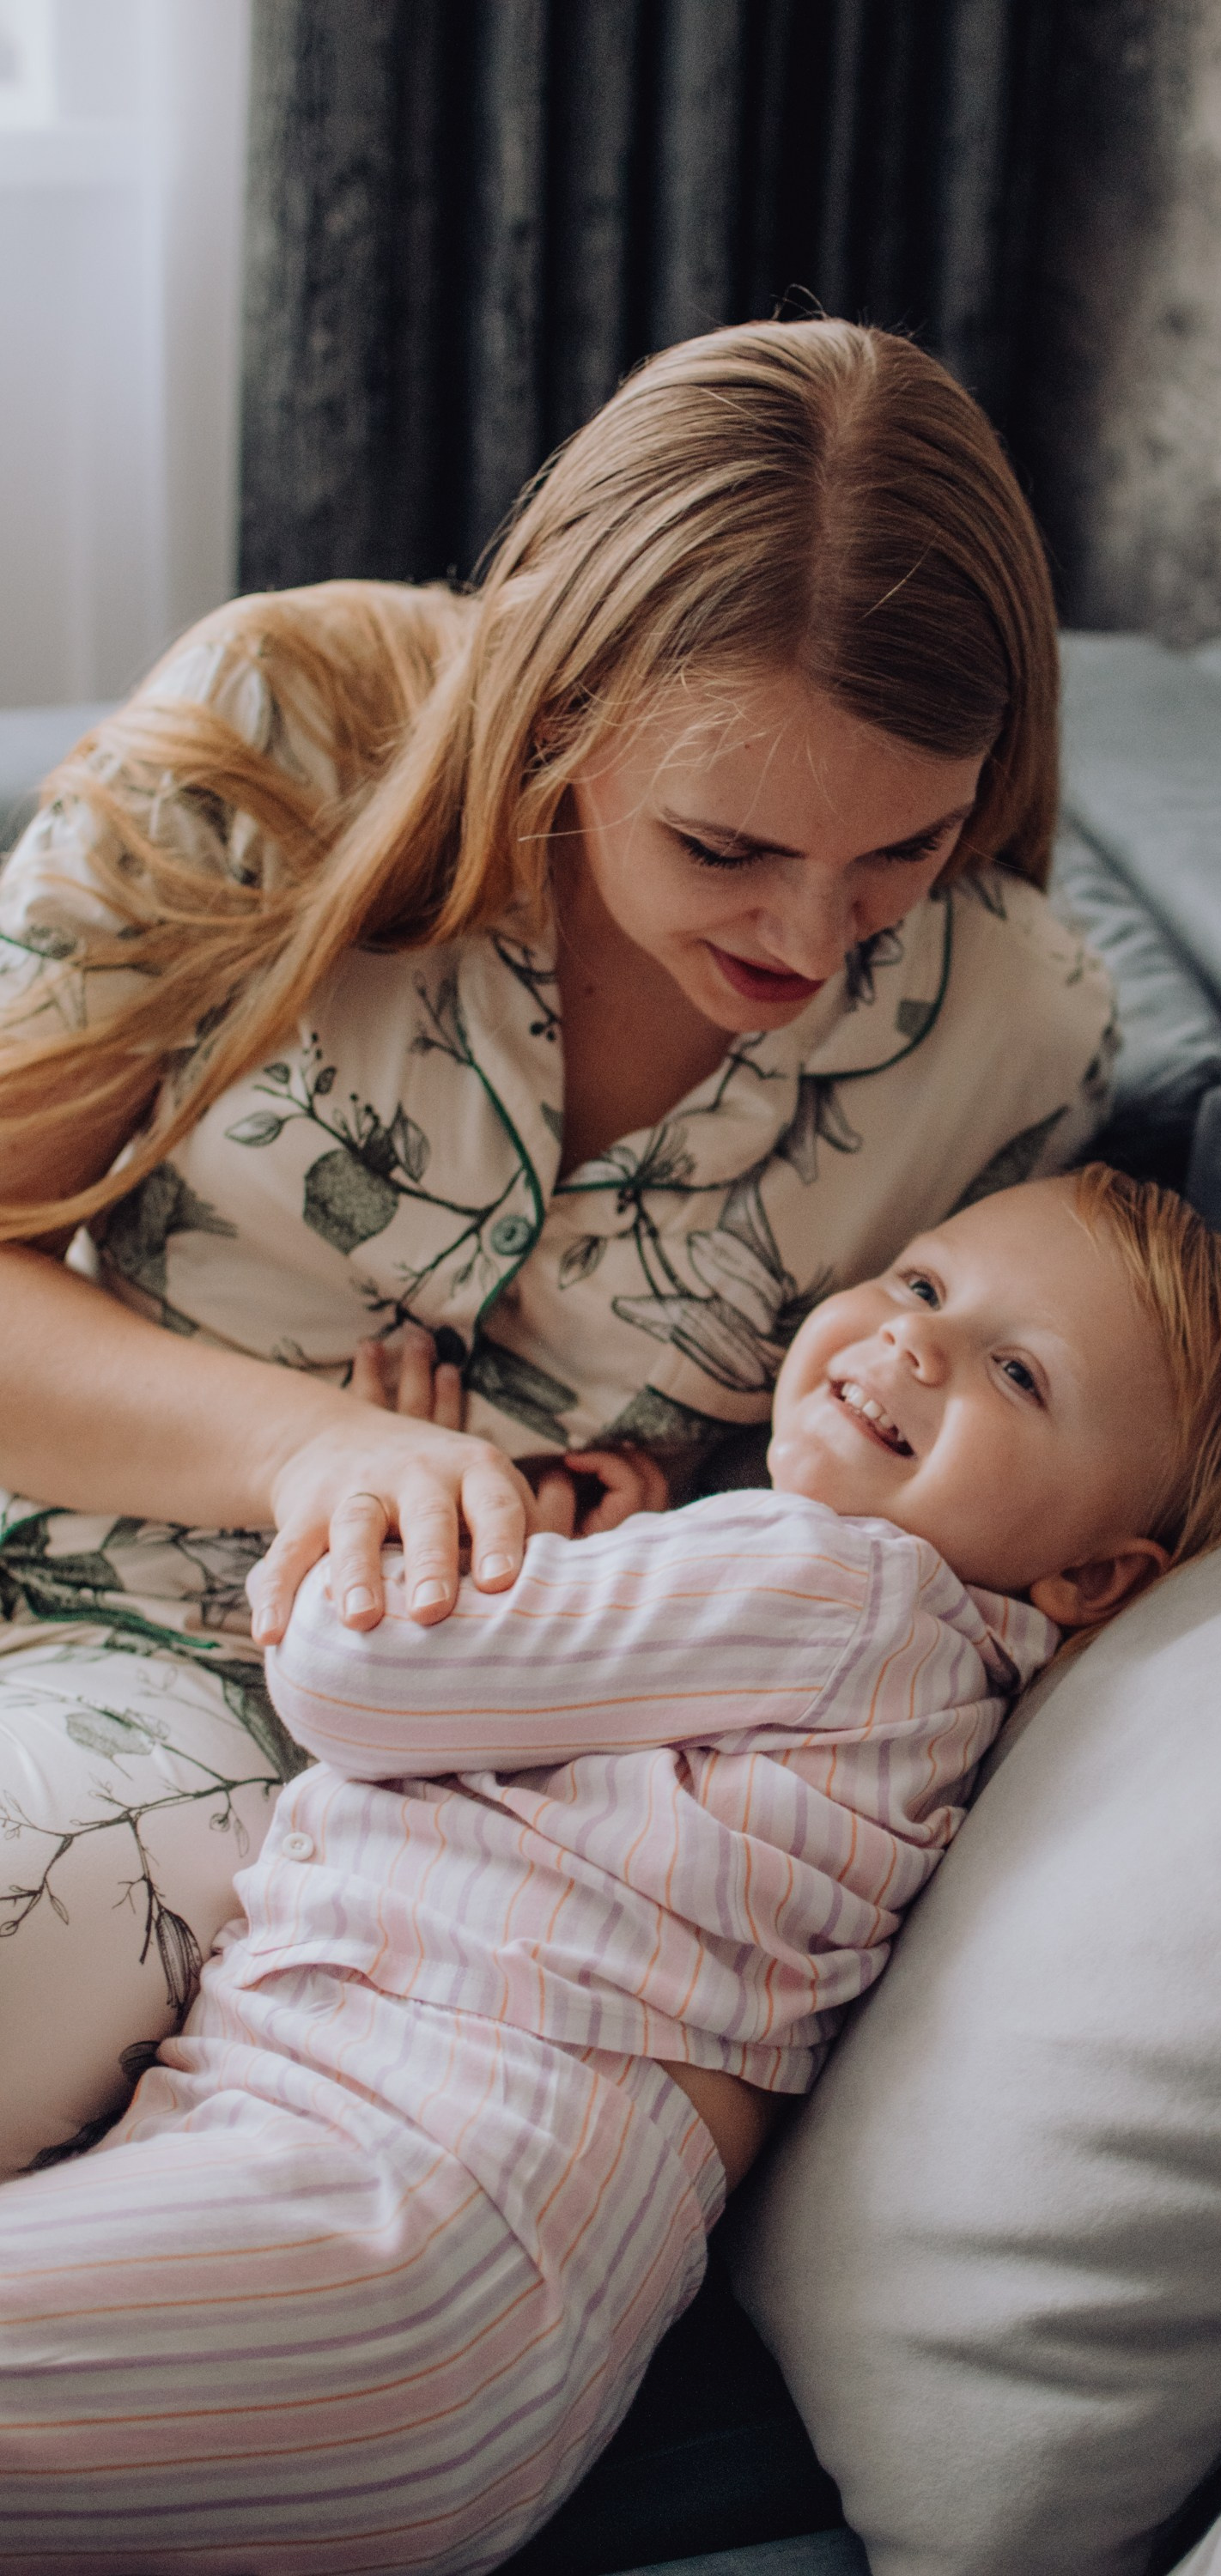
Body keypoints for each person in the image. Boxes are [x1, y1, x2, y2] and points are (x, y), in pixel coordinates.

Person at [0, 319, 1120, 2174]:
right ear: (561, 706)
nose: (811, 942)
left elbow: (922, 1541)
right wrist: (314, 1444)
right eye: (725, 842)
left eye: (899, 853)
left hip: (289, 1713)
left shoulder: (1017, 1031)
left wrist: (648, 1507)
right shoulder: (282, 728)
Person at [0, 1168, 1221, 2576]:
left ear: (1093, 1580)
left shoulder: (841, 1577)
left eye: (1016, 1373)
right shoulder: (930, 1681)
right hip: (491, 2347)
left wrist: (400, 1479)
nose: (914, 1348)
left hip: (394, 2209)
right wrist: (592, 1563)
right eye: (922, 1284)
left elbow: (356, 1681)